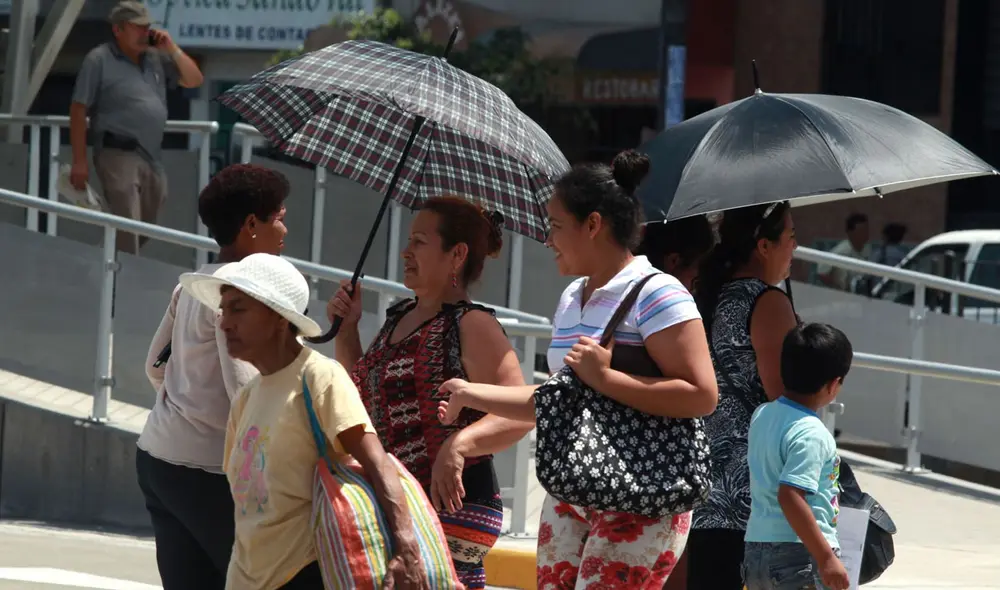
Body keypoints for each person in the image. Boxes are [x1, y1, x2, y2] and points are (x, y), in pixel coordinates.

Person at [436, 151, 718, 589]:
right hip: (573, 489)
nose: (548, 240)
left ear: (593, 225)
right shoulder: (571, 298)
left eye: (555, 226)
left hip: (645, 493)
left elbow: (702, 395)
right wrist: (472, 394)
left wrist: (607, 378)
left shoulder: (660, 293)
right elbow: (559, 398)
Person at [180, 254, 428, 590]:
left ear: (279, 318)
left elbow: (377, 462)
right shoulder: (246, 397)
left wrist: (406, 546)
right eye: (223, 310)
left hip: (303, 574)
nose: (224, 323)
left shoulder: (319, 378)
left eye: (238, 309)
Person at [326, 195, 532, 590]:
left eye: (419, 241)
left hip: (452, 501)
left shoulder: (472, 324)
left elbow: (521, 410)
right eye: (408, 241)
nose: (406, 252)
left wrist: (459, 444)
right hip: (404, 498)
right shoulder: (400, 316)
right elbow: (362, 396)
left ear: (456, 254)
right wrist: (348, 328)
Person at [138, 164, 289, 589]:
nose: (285, 229)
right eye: (279, 217)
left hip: (157, 459)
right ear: (251, 225)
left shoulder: (193, 282)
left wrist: (186, 406)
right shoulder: (241, 295)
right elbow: (246, 391)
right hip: (206, 474)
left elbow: (154, 365)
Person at [687, 202, 799, 590]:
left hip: (703, 489)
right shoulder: (767, 303)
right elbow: (784, 401)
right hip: (752, 496)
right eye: (790, 238)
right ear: (764, 246)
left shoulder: (706, 296)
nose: (795, 249)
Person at [70, 0, 204, 254]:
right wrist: (80, 161)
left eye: (147, 28)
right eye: (137, 27)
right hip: (117, 151)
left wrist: (172, 49)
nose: (145, 33)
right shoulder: (99, 59)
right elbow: (78, 109)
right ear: (118, 30)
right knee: (127, 220)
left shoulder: (154, 59)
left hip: (151, 155)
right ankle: (123, 281)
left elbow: (195, 79)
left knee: (147, 223)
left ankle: (107, 259)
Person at [744, 323, 853, 590]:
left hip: (756, 550)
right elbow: (790, 495)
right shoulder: (811, 432)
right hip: (800, 555)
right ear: (833, 384)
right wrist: (826, 557)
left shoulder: (762, 415)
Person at [634, 215, 715, 292]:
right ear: (674, 260)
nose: (695, 290)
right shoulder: (673, 302)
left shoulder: (628, 282)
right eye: (695, 282)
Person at [817, 213, 871, 293]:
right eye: (861, 231)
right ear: (850, 233)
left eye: (866, 231)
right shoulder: (841, 250)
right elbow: (822, 273)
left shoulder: (867, 249)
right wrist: (837, 288)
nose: (865, 234)